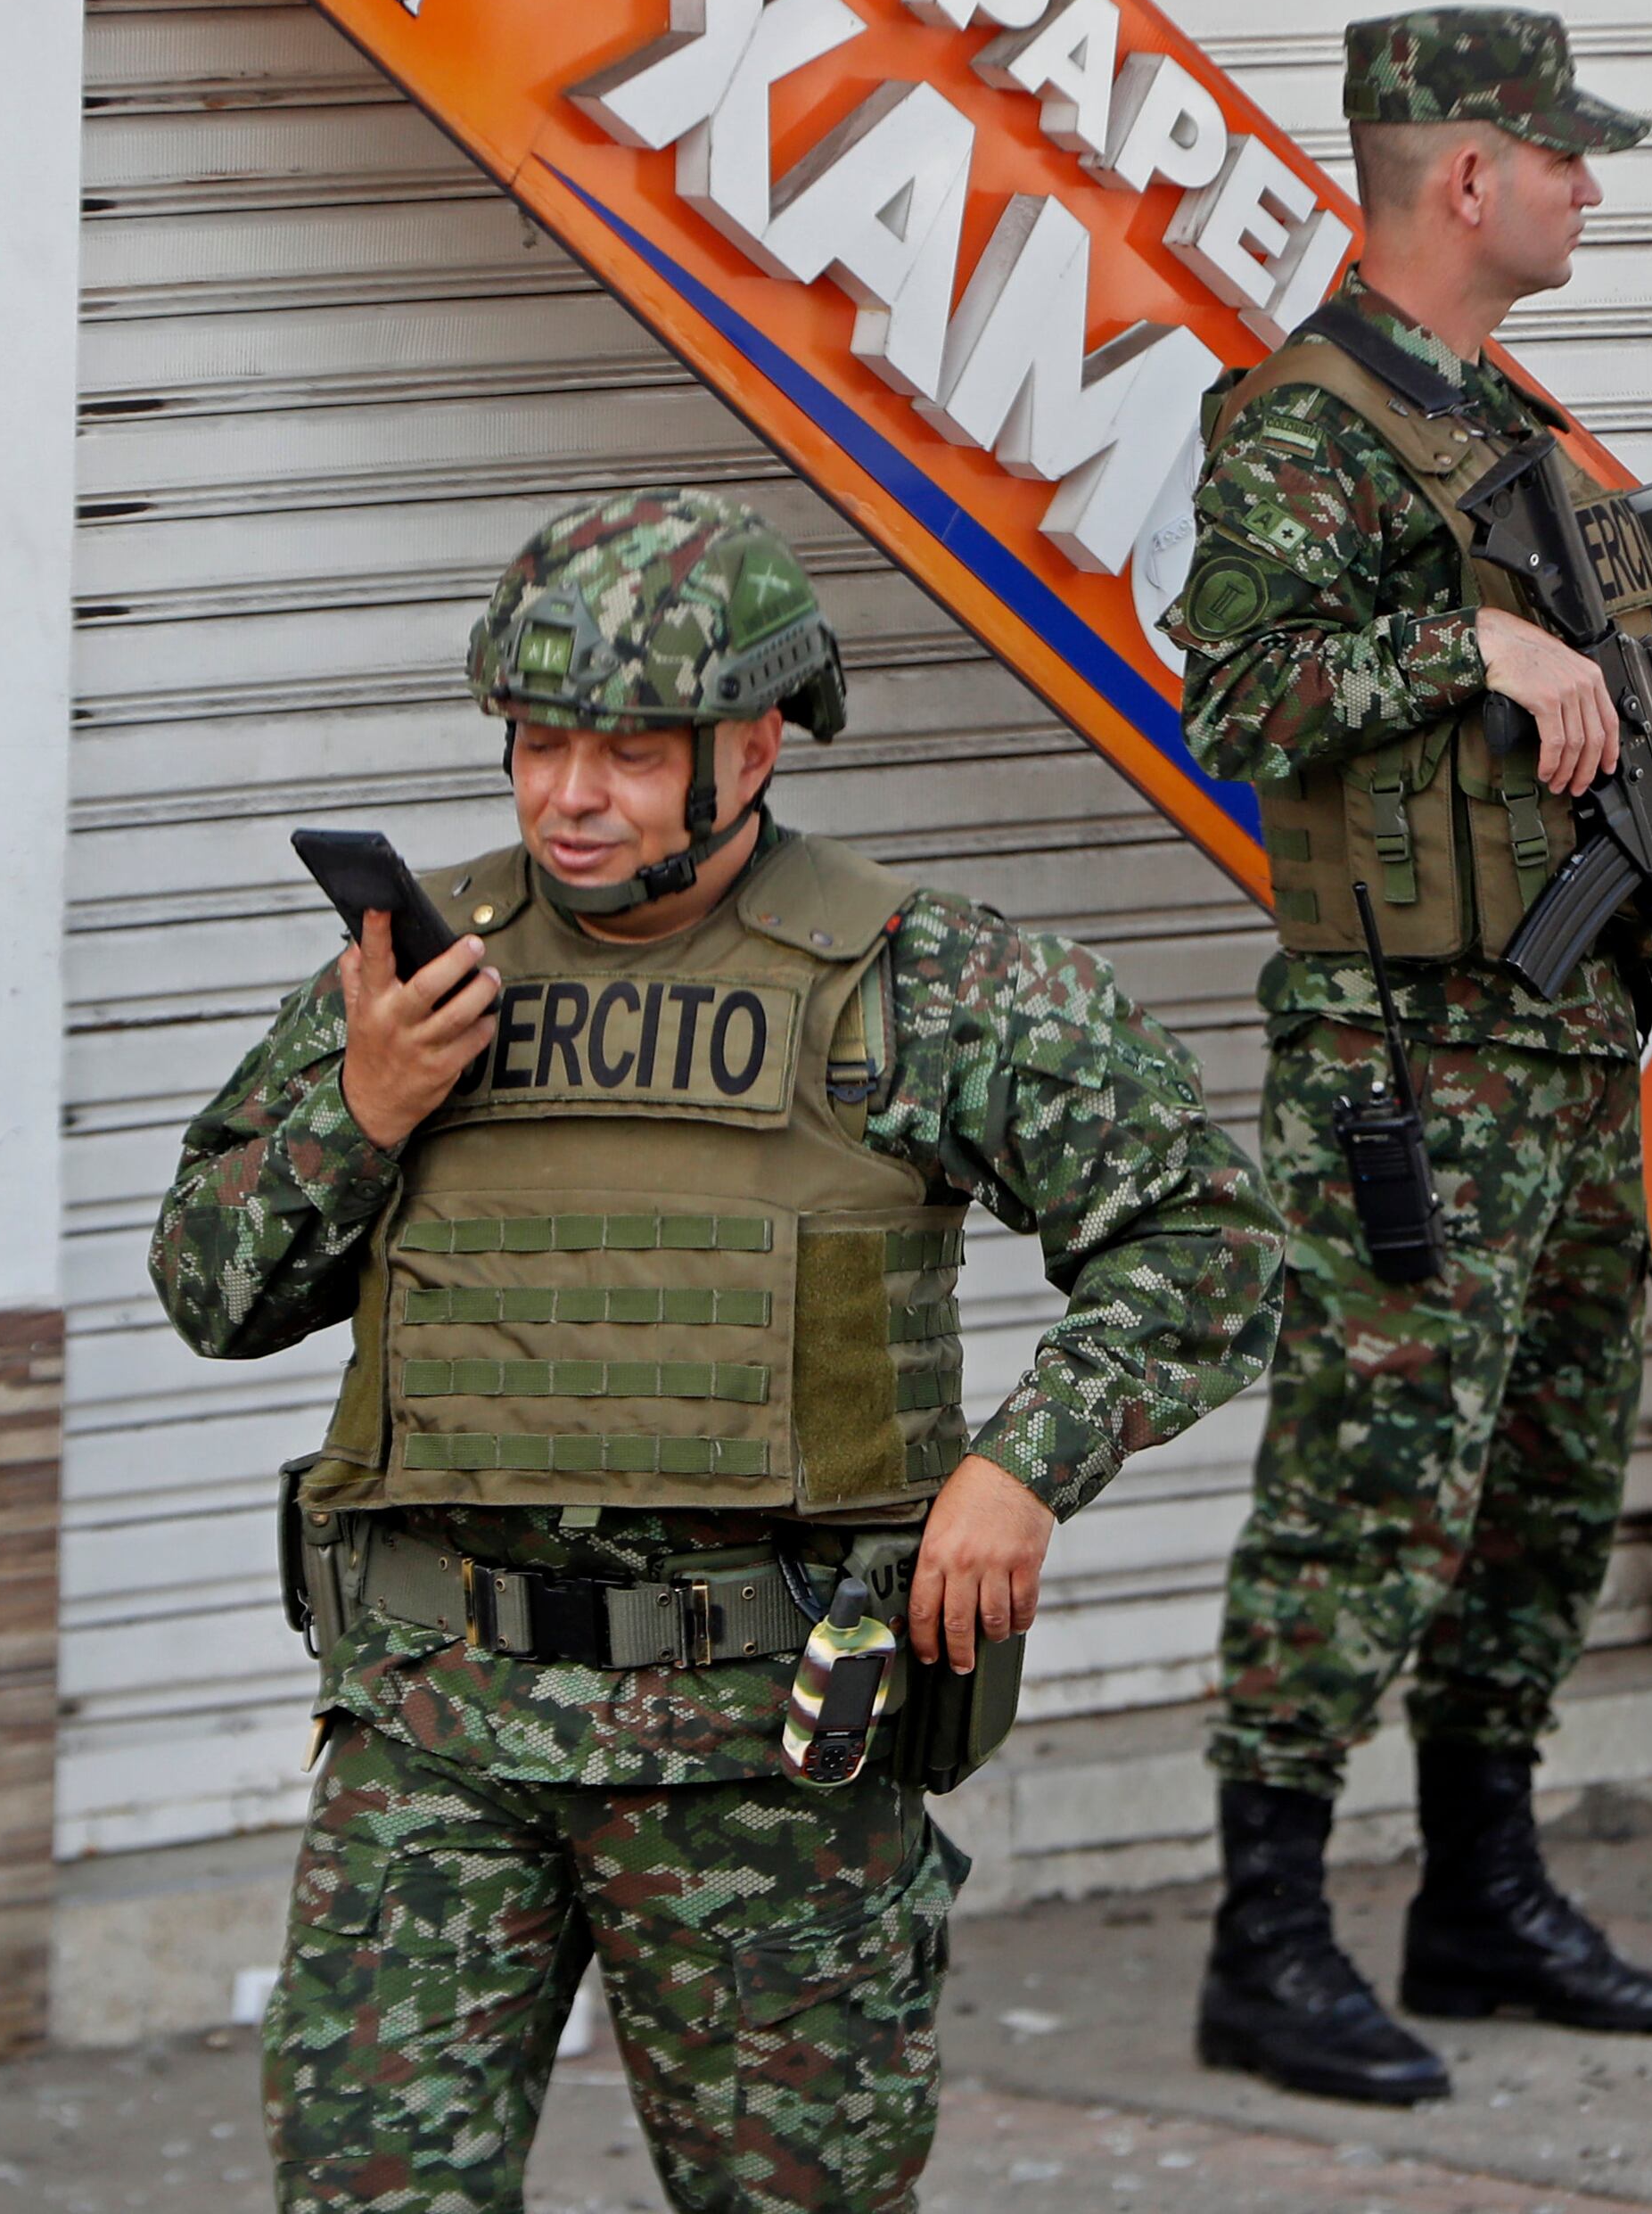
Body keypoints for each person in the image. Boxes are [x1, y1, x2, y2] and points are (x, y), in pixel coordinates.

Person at [151, 490, 1278, 2211]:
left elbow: (1208, 1235)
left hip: (769, 1753)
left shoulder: (924, 982)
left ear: (753, 745)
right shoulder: (412, 973)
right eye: (536, 743)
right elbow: (207, 1286)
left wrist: (1023, 1467)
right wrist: (362, 1117)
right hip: (439, 1732)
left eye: (626, 749)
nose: (567, 797)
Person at [1175, 7, 1652, 2107]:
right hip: (1404, 1057)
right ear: (1466, 179)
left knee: (1547, 1479)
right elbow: (1234, 684)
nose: (1592, 186)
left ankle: (1480, 1893)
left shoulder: (1509, 431)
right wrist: (1465, 641)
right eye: (1566, 154)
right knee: (1363, 1488)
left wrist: (1651, 666)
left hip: (1563, 1044)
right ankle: (1267, 1936)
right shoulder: (1303, 423)